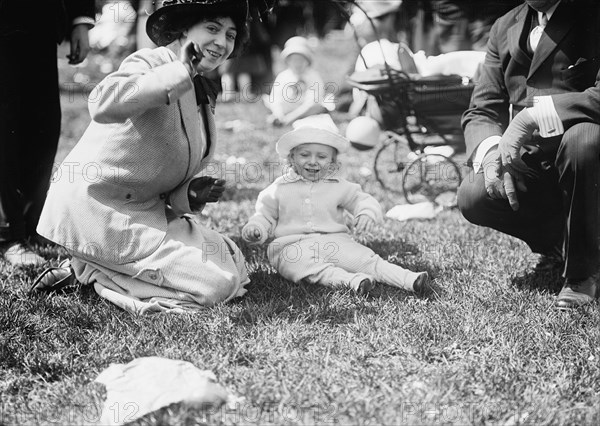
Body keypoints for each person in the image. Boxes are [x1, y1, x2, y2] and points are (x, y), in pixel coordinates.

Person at [33, 0, 252, 314]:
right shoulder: (153, 61)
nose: (221, 42)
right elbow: (103, 103)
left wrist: (188, 193)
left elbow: (161, 169)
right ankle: (90, 272)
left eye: (231, 35)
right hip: (100, 208)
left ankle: (95, 264)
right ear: (185, 27)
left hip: (143, 210)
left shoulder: (201, 89)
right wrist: (179, 70)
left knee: (231, 257)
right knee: (217, 285)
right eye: (212, 28)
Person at [458, 0, 600, 309]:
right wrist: (493, 150)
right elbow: (482, 108)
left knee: (585, 140)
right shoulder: (505, 25)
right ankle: (563, 243)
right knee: (474, 194)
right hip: (534, 158)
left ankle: (582, 273)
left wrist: (532, 116)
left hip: (587, 159)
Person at [241, 115, 430, 294]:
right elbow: (264, 215)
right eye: (305, 155)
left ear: (332, 161)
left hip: (335, 242)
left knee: (366, 260)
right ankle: (352, 281)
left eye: (321, 157)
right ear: (291, 157)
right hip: (292, 246)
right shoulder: (279, 188)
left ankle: (409, 279)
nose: (313, 162)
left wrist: (365, 212)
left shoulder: (337, 185)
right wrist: (257, 227)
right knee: (302, 266)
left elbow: (361, 199)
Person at [0, 0, 95, 267]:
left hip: (41, 18)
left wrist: (80, 20)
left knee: (42, 122)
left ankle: (34, 225)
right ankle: (8, 233)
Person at [263, 36, 330, 127]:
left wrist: (292, 116)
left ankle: (289, 119)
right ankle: (279, 117)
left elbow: (314, 99)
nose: (297, 63)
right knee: (270, 101)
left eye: (301, 60)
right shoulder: (283, 76)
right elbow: (276, 97)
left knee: (317, 106)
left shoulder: (313, 76)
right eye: (294, 60)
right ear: (288, 61)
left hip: (304, 108)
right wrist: (279, 113)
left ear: (307, 61)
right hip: (287, 106)